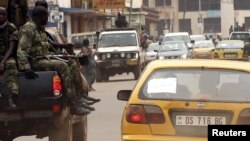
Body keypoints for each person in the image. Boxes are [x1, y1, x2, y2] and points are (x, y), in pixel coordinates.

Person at [17, 6, 92, 115]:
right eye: (46, 16)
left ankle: (78, 98)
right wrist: (26, 68)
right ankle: (73, 105)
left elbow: (45, 46)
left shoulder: (39, 29)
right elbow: (22, 50)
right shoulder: (28, 29)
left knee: (71, 62)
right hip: (34, 62)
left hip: (43, 58)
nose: (47, 19)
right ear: (40, 16)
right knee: (62, 66)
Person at [0, 7, 19, 108]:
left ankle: (12, 96)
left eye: (3, 14)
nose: (1, 16)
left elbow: (12, 47)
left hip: (7, 57)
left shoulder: (11, 27)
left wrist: (3, 62)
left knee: (12, 65)